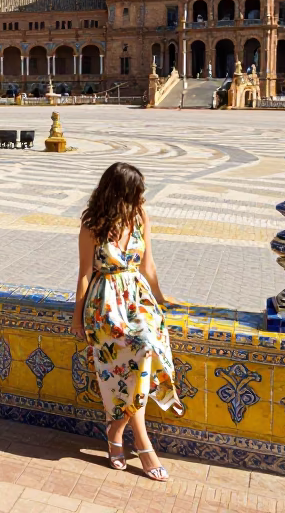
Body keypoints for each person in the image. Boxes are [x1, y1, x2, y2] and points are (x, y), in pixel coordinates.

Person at [72, 162, 183, 482]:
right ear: (120, 192)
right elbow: (84, 274)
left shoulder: (140, 217)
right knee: (141, 349)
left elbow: (148, 263)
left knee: (150, 345)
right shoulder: (92, 223)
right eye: (137, 191)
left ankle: (116, 430)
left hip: (137, 297)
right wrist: (77, 318)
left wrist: (161, 297)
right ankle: (144, 444)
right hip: (105, 302)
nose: (142, 197)